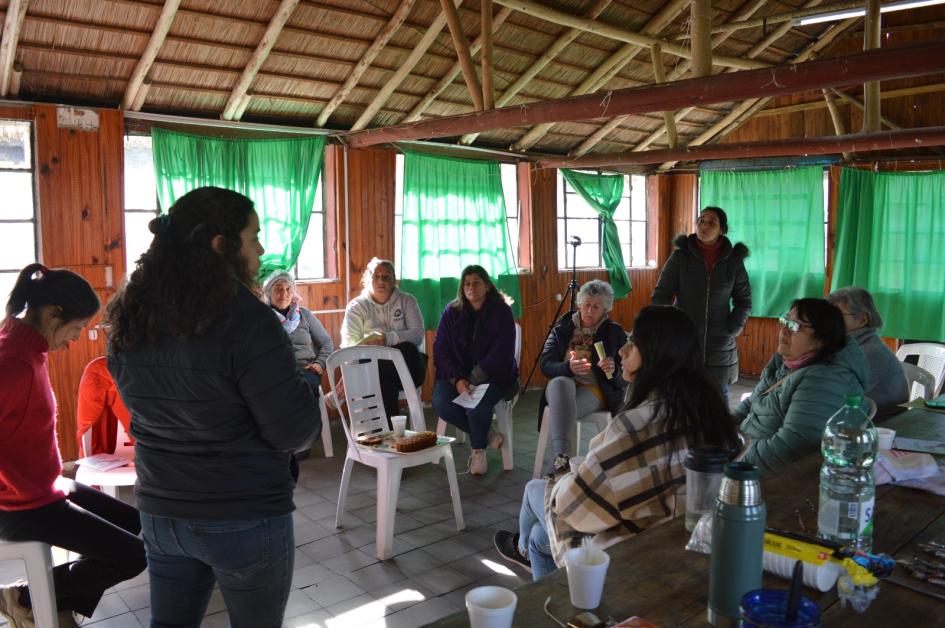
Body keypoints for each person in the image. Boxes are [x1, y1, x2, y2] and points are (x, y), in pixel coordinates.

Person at [106, 186, 320, 628]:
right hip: (241, 514)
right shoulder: (247, 319)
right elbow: (294, 432)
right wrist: (304, 382)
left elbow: (140, 406)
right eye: (253, 236)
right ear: (221, 245)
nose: (261, 248)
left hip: (162, 512)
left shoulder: (132, 310)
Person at [494, 305, 741, 580]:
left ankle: (522, 550)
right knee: (541, 535)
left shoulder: (636, 427)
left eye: (633, 344)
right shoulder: (708, 411)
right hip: (669, 537)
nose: (623, 350)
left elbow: (571, 507)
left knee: (534, 491)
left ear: (656, 356)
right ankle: (529, 550)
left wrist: (565, 470)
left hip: (632, 556)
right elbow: (548, 364)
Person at [0, 264, 146, 627]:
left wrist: (49, 467)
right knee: (133, 556)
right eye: (77, 328)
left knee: (140, 523)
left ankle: (54, 602)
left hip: (44, 488)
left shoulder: (27, 350)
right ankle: (26, 596)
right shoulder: (12, 364)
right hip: (21, 506)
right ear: (53, 314)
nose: (76, 339)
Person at [735, 298, 868, 476]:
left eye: (796, 326)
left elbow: (789, 450)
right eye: (786, 321)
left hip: (767, 477)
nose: (784, 329)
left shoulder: (824, 380)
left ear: (822, 339)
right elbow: (752, 402)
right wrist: (719, 430)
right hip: (743, 451)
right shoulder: (785, 363)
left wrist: (732, 455)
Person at [652, 206, 752, 399]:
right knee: (680, 400)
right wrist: (673, 327)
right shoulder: (681, 257)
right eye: (701, 220)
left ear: (722, 229)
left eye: (711, 222)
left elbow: (744, 301)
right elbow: (660, 296)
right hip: (684, 339)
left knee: (717, 404)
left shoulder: (733, 261)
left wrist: (731, 328)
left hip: (720, 342)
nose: (704, 225)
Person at [432, 266, 519, 476]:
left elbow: (503, 352)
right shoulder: (451, 312)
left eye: (476, 282)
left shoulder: (502, 311)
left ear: (487, 285)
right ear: (462, 287)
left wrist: (473, 379)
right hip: (457, 376)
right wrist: (458, 380)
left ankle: (478, 450)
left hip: (495, 376)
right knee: (441, 403)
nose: (471, 287)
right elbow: (440, 349)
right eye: (467, 283)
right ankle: (487, 435)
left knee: (477, 408)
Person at [538, 280, 626, 473]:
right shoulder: (562, 329)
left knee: (561, 412)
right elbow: (545, 365)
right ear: (579, 303)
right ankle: (565, 462)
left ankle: (559, 464)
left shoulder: (615, 333)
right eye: (586, 304)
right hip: (560, 385)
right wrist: (567, 368)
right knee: (561, 383)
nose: (589, 310)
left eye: (596, 306)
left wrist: (614, 370)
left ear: (606, 309)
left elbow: (624, 380)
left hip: (594, 389)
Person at [340, 257, 426, 420]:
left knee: (406, 349)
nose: (381, 281)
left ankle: (382, 433)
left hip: (408, 369)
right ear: (368, 279)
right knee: (383, 377)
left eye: (386, 276)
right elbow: (348, 346)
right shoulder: (356, 307)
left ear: (394, 281)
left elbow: (418, 335)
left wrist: (387, 339)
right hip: (374, 372)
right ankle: (393, 434)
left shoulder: (407, 300)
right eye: (376, 276)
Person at [262, 270, 334, 453]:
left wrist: (319, 364)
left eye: (288, 289)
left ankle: (303, 440)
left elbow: (326, 343)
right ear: (268, 293)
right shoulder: (262, 319)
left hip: (306, 369)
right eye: (278, 289)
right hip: (276, 372)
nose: (284, 294)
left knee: (302, 384)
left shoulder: (304, 315)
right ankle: (287, 440)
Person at [828, 287, 908, 413]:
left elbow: (835, 396)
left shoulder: (870, 352)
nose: (829, 320)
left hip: (881, 425)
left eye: (837, 315)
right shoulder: (846, 345)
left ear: (861, 320)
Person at [76, 356, 132, 457]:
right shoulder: (101, 369)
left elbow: (87, 426)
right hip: (153, 451)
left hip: (146, 452)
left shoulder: (101, 369)